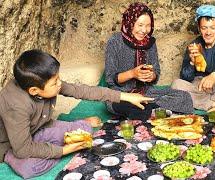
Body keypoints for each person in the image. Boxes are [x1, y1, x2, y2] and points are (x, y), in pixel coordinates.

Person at [0, 49, 153, 178]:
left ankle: (50, 143)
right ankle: (47, 147)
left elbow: (82, 91)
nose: (60, 83)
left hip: (38, 129)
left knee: (85, 131)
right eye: (55, 82)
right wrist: (64, 150)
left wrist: (126, 97)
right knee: (30, 168)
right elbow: (22, 149)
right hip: (12, 146)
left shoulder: (43, 83)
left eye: (58, 78)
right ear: (34, 90)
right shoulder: (16, 105)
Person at [104, 2, 193, 120]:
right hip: (122, 94)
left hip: (146, 93)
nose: (144, 30)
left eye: (148, 25)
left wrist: (152, 76)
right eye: (140, 25)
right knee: (115, 102)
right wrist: (132, 74)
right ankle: (155, 111)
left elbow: (156, 71)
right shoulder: (115, 41)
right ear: (130, 23)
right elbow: (110, 79)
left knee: (184, 97)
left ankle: (149, 110)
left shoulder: (150, 43)